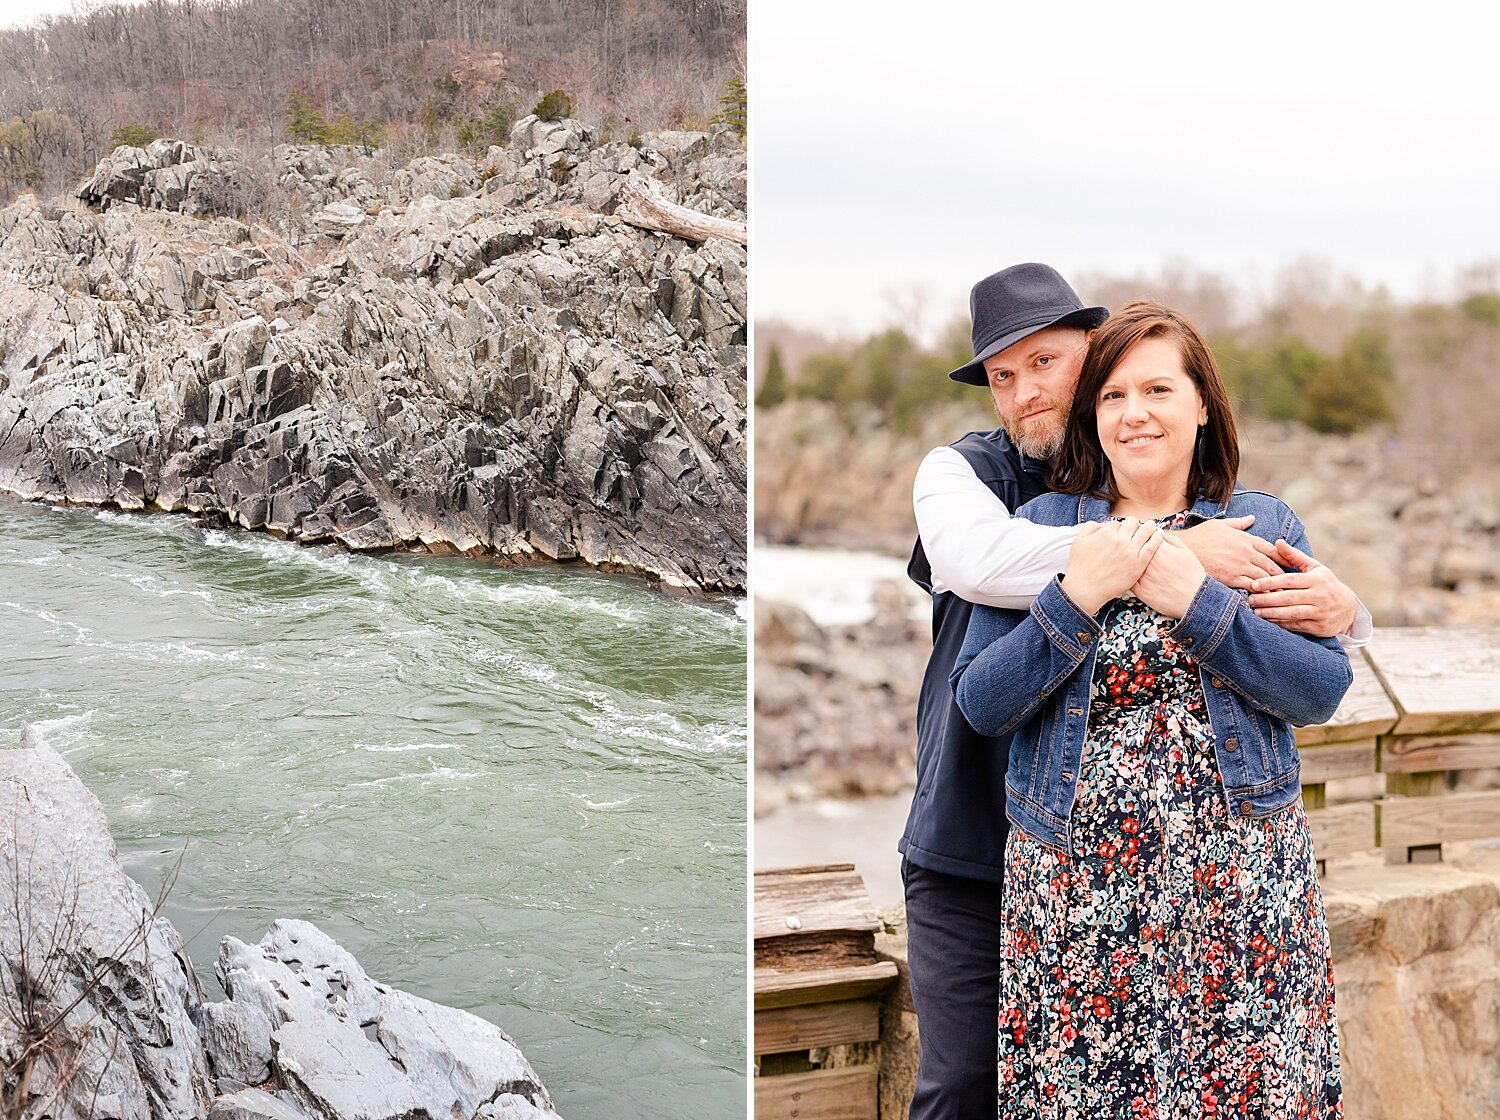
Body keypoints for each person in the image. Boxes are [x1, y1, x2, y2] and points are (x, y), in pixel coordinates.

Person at [897, 264, 1368, 1120]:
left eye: (1047, 364)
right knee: (980, 1089)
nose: (1027, 391)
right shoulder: (1005, 498)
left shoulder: (1263, 523)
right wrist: (1110, 572)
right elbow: (980, 674)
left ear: (1201, 405)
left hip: (1239, 885)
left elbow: (1321, 684)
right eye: (1004, 375)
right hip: (1057, 880)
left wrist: (1227, 604)